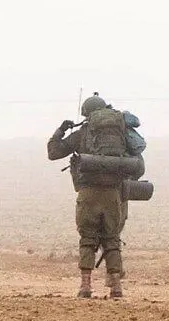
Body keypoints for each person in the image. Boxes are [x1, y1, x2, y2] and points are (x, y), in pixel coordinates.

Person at [47, 95, 142, 299]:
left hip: (88, 193)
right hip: (113, 194)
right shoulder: (121, 135)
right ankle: (116, 286)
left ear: (87, 115)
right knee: (112, 239)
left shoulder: (82, 134)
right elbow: (139, 167)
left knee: (87, 238)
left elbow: (53, 152)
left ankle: (85, 286)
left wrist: (61, 130)